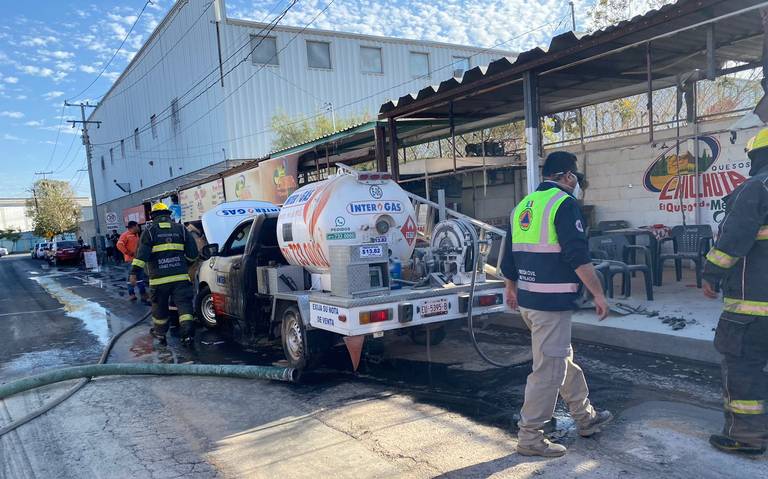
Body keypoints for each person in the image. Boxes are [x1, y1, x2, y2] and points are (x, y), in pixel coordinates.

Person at [501, 151, 612, 457]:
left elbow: (508, 257)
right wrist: (598, 294)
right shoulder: (564, 204)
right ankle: (530, 437)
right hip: (551, 304)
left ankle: (585, 417)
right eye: (575, 178)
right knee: (548, 370)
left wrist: (511, 289)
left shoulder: (523, 205)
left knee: (561, 360)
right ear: (568, 177)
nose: (575, 184)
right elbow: (577, 256)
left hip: (529, 301)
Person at [703, 127, 768, 456]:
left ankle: (747, 437)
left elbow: (732, 241)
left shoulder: (756, 187)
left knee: (743, 369)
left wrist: (711, 274)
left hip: (753, 307)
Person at [130, 203, 199, 346]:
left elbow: (141, 256)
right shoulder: (181, 229)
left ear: (153, 216)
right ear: (168, 215)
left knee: (160, 308)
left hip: (158, 280)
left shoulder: (149, 232)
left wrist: (134, 273)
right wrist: (182, 264)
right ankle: (187, 335)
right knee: (184, 306)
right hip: (180, 278)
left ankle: (160, 334)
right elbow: (193, 254)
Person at [117, 221, 149, 304]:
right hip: (130, 260)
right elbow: (119, 245)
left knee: (140, 277)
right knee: (130, 278)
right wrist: (128, 253)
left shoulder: (137, 235)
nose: (139, 228)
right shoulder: (125, 235)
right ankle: (132, 294)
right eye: (137, 226)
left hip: (138, 260)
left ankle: (143, 294)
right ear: (133, 227)